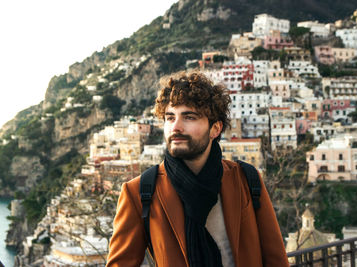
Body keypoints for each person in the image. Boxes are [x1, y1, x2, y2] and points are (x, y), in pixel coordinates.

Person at [106, 71, 289, 267]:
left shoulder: (247, 179)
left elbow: (276, 259)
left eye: (189, 117)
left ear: (215, 129)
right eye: (170, 118)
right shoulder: (140, 193)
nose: (176, 127)